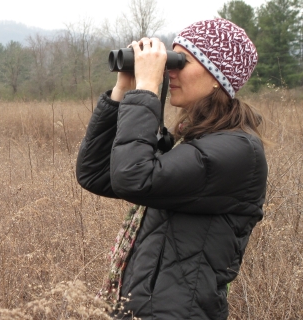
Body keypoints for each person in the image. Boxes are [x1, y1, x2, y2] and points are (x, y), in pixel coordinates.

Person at [76, 18, 268, 319]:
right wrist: (124, 88)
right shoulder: (193, 140)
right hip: (146, 307)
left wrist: (148, 89)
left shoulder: (237, 151)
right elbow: (96, 174)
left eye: (181, 61)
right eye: (170, 59)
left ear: (218, 76)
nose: (170, 70)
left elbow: (133, 178)